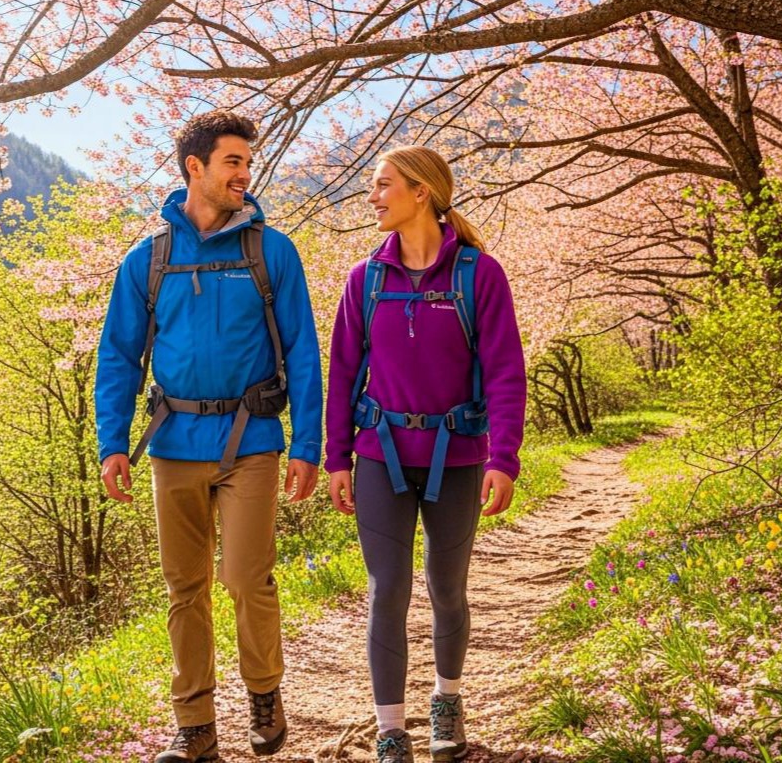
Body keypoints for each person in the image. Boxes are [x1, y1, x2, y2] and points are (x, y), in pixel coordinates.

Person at [95, 111, 323, 762]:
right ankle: (195, 725)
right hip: (173, 445)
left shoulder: (271, 252)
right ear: (195, 167)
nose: (244, 174)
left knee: (247, 578)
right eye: (233, 162)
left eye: (247, 162)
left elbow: (304, 352)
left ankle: (263, 693)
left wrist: (306, 445)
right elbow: (118, 357)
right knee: (184, 590)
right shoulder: (147, 260)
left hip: (252, 441)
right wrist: (113, 443)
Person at [324, 146, 526, 762]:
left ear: (422, 192)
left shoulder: (479, 275)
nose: (373, 197)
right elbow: (343, 374)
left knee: (446, 587)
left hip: (457, 457)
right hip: (379, 457)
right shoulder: (365, 279)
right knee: (387, 589)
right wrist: (337, 458)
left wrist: (504, 458)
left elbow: (506, 372)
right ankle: (390, 729)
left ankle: (447, 701)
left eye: (383, 184)